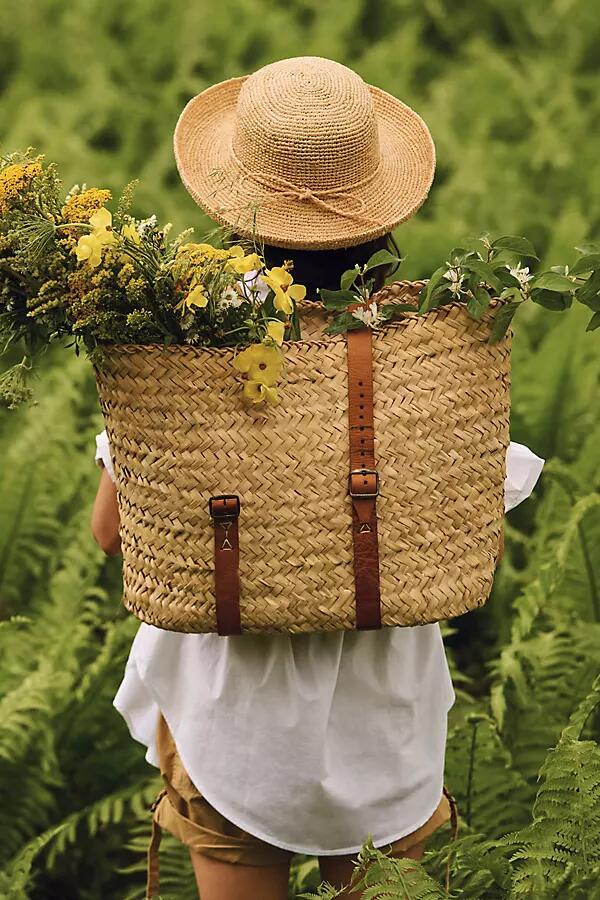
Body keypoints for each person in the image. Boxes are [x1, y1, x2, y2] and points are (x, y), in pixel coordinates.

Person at [91, 57, 545, 900]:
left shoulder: (182, 365)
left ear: (232, 210)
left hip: (235, 725)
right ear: (382, 207)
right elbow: (472, 514)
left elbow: (115, 533)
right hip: (387, 722)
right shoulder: (433, 362)